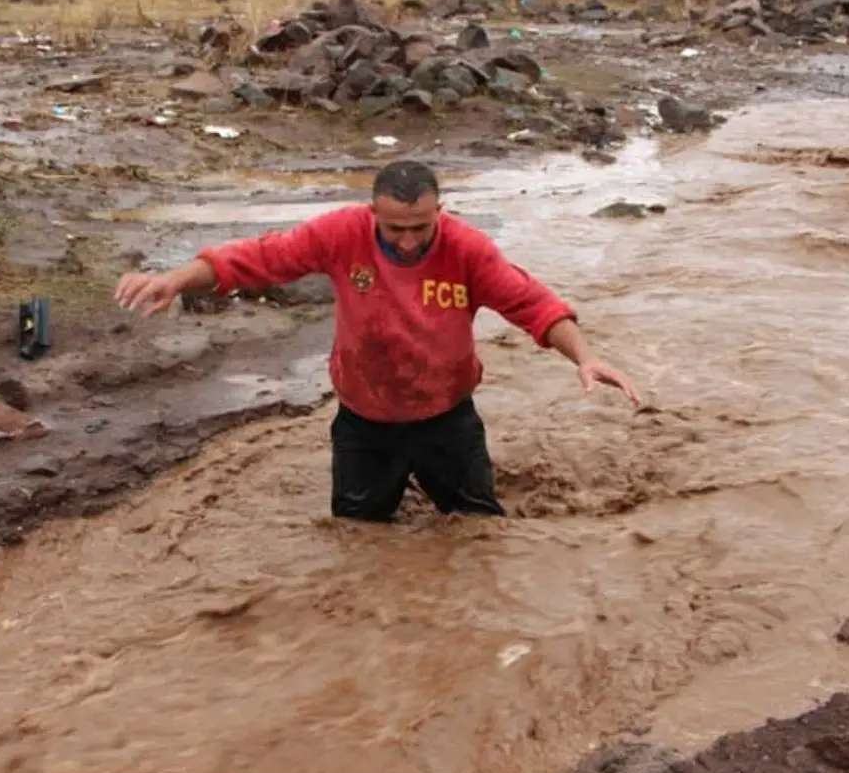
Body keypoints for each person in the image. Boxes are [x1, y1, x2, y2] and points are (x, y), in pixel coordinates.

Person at [114, 160, 640, 522]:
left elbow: (533, 304)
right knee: (358, 534)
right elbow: (258, 258)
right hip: (365, 420)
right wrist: (175, 279)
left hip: (446, 418)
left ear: (440, 212)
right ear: (373, 214)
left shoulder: (468, 250)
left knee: (479, 531)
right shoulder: (340, 233)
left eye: (421, 228)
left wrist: (585, 357)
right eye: (394, 230)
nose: (409, 241)